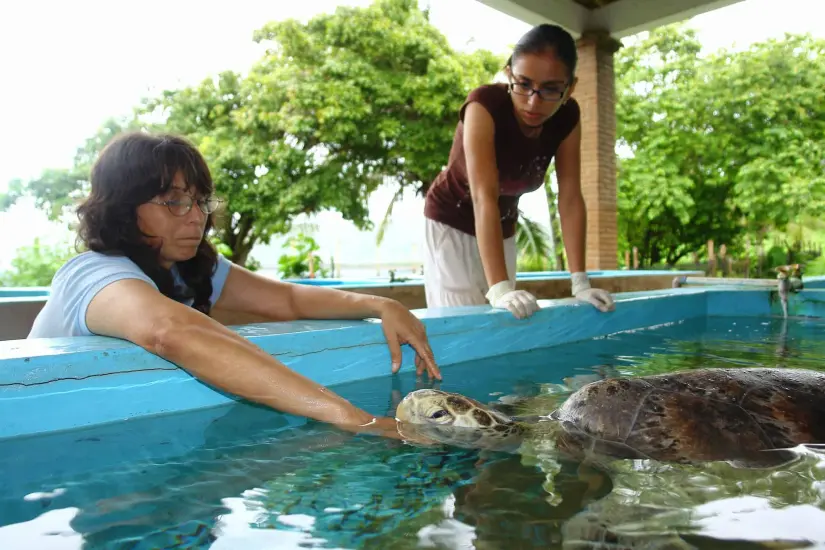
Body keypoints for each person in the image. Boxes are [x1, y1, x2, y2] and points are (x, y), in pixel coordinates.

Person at [27, 132, 440, 439]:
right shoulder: (93, 272)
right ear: (122, 208)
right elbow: (170, 332)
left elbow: (288, 299)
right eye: (174, 201)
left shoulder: (187, 270)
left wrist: (380, 305)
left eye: (201, 201)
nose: (195, 217)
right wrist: (360, 420)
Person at [423, 23, 616, 320]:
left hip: (502, 225)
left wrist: (580, 283)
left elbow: (570, 197)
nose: (532, 102)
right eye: (523, 84)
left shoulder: (567, 117)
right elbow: (483, 196)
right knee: (460, 322)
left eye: (550, 89)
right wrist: (500, 289)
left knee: (507, 320)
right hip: (451, 220)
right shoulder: (483, 106)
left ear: (570, 87)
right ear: (508, 73)